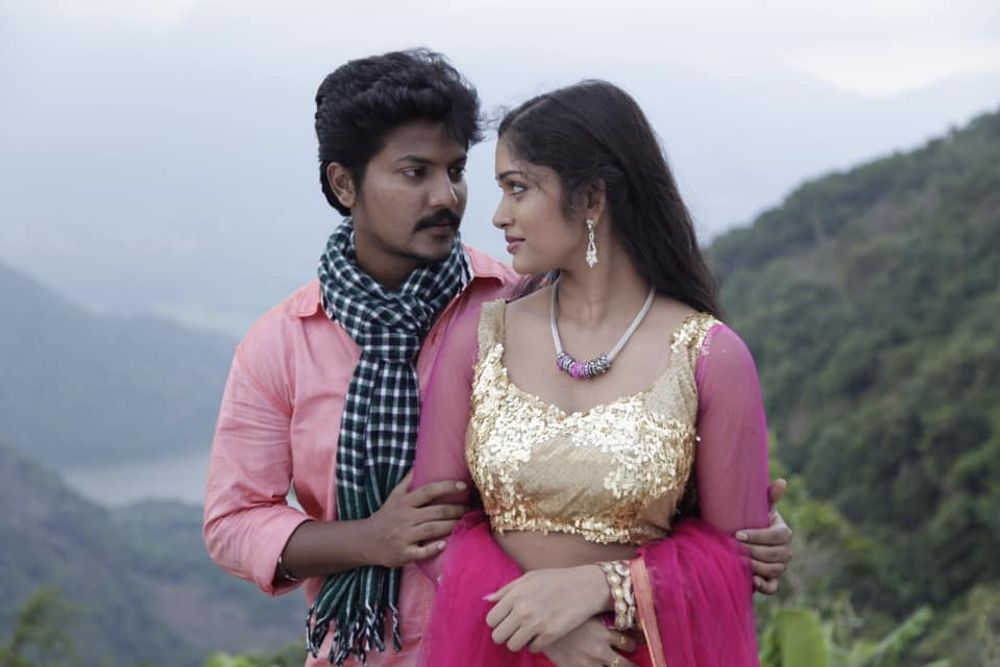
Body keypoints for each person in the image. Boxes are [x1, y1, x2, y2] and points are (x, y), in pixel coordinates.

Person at [203, 50, 792, 667]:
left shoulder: (514, 303)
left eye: (456, 170)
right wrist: (369, 539)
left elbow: (627, 468)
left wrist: (742, 538)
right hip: (371, 652)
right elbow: (233, 522)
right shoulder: (281, 346)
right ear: (345, 184)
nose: (448, 196)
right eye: (415, 173)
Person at [411, 80, 774, 666]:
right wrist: (542, 624)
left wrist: (604, 587)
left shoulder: (709, 356)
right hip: (498, 645)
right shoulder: (479, 339)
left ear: (591, 198)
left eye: (518, 188)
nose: (499, 215)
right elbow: (431, 529)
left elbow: (736, 560)